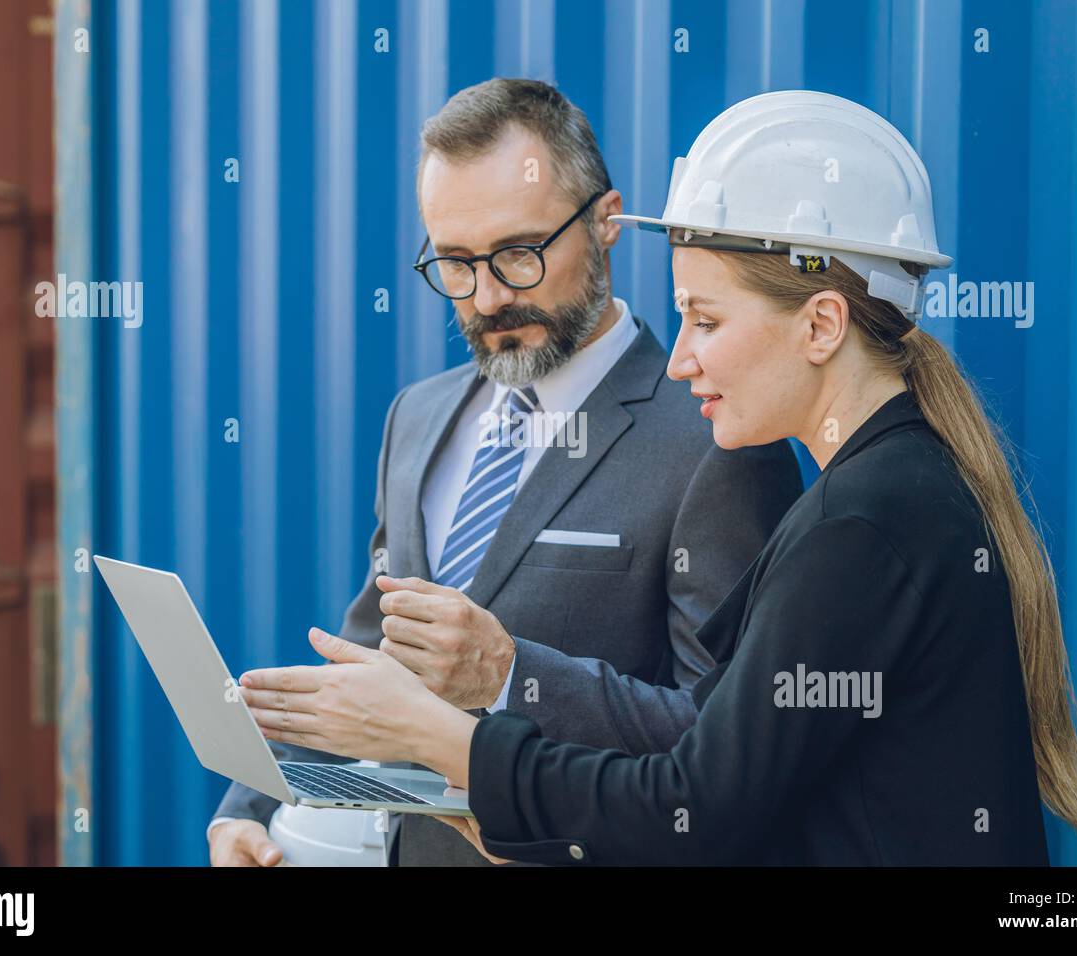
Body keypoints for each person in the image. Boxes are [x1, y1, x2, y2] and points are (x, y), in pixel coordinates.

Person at [238, 90, 1077, 865]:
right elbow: (735, 778)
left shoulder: (859, 520)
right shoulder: (882, 494)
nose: (683, 356)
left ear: (823, 324)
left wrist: (467, 743)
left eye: (707, 319)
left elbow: (701, 799)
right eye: (457, 264)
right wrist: (257, 792)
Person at [209, 78, 802, 866]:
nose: (487, 298)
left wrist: (507, 675)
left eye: (518, 255)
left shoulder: (717, 437)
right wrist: (254, 803)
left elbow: (720, 738)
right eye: (455, 263)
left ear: (606, 222)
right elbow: (376, 649)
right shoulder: (416, 419)